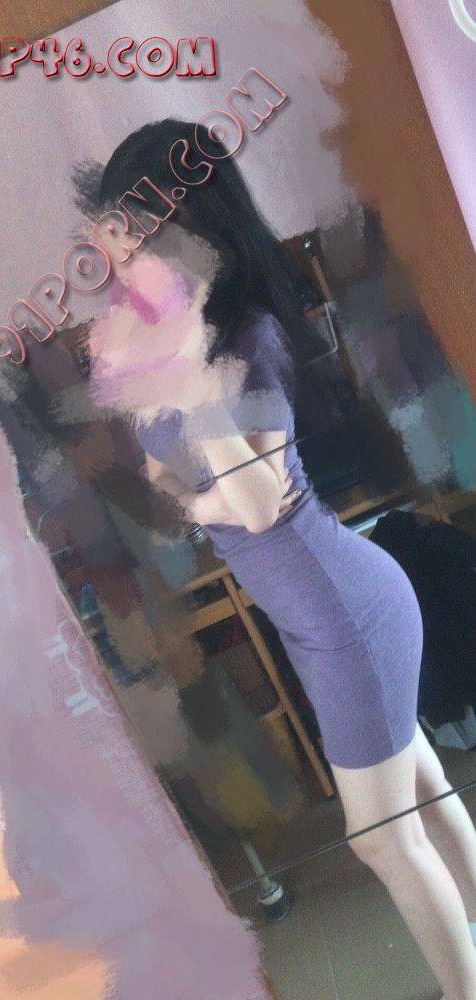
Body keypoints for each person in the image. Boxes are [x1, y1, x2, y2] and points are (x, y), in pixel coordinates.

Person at [77, 119, 476, 1000]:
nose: (120, 254)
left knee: (383, 837)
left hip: (344, 610)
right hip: (315, 613)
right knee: (419, 789)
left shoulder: (240, 338)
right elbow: (168, 487)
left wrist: (193, 441)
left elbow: (254, 504)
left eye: (135, 231)